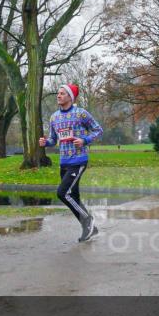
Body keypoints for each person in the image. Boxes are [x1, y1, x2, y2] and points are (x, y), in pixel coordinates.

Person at [38, 83, 103, 242]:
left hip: (78, 160)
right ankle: (90, 228)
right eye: (58, 93)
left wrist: (85, 140)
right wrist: (46, 142)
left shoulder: (81, 114)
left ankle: (87, 220)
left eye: (62, 93)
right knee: (73, 196)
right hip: (64, 162)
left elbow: (98, 130)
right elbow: (54, 139)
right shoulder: (54, 117)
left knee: (62, 193)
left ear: (70, 97)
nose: (58, 96)